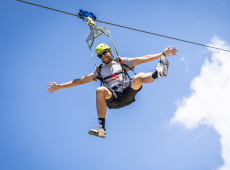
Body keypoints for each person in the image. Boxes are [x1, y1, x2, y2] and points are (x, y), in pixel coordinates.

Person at [46, 43, 178, 138]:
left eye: (105, 53)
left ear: (110, 52)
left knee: (138, 77)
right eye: (100, 55)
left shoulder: (121, 62)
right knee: (100, 90)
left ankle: (158, 73)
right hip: (113, 97)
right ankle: (101, 128)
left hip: (126, 91)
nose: (103, 56)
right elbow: (80, 80)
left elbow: (143, 58)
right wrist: (59, 86)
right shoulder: (99, 71)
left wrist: (163, 54)